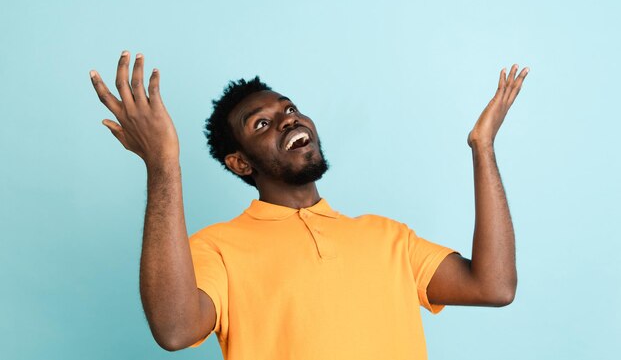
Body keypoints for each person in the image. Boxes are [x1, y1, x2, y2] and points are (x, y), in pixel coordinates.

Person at [89, 51, 529, 360]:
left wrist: (483, 146)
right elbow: (175, 329)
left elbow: (493, 286)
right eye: (262, 123)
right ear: (240, 163)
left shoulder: (388, 237)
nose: (288, 118)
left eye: (290, 108)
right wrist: (163, 164)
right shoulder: (215, 249)